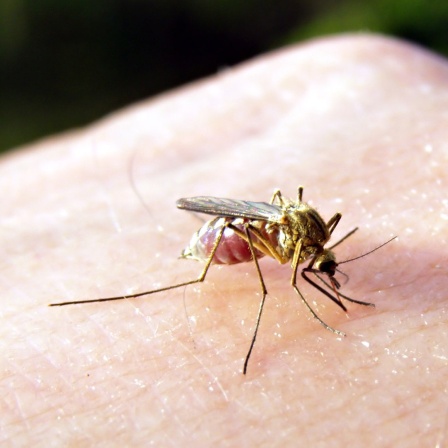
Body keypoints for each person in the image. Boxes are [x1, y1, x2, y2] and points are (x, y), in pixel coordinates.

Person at [2, 34, 446, 446]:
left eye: (325, 263)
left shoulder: (318, 240)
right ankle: (194, 278)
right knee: (266, 251)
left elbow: (307, 242)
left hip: (275, 225)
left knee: (282, 223)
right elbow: (293, 268)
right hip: (232, 233)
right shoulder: (301, 249)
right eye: (325, 264)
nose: (326, 266)